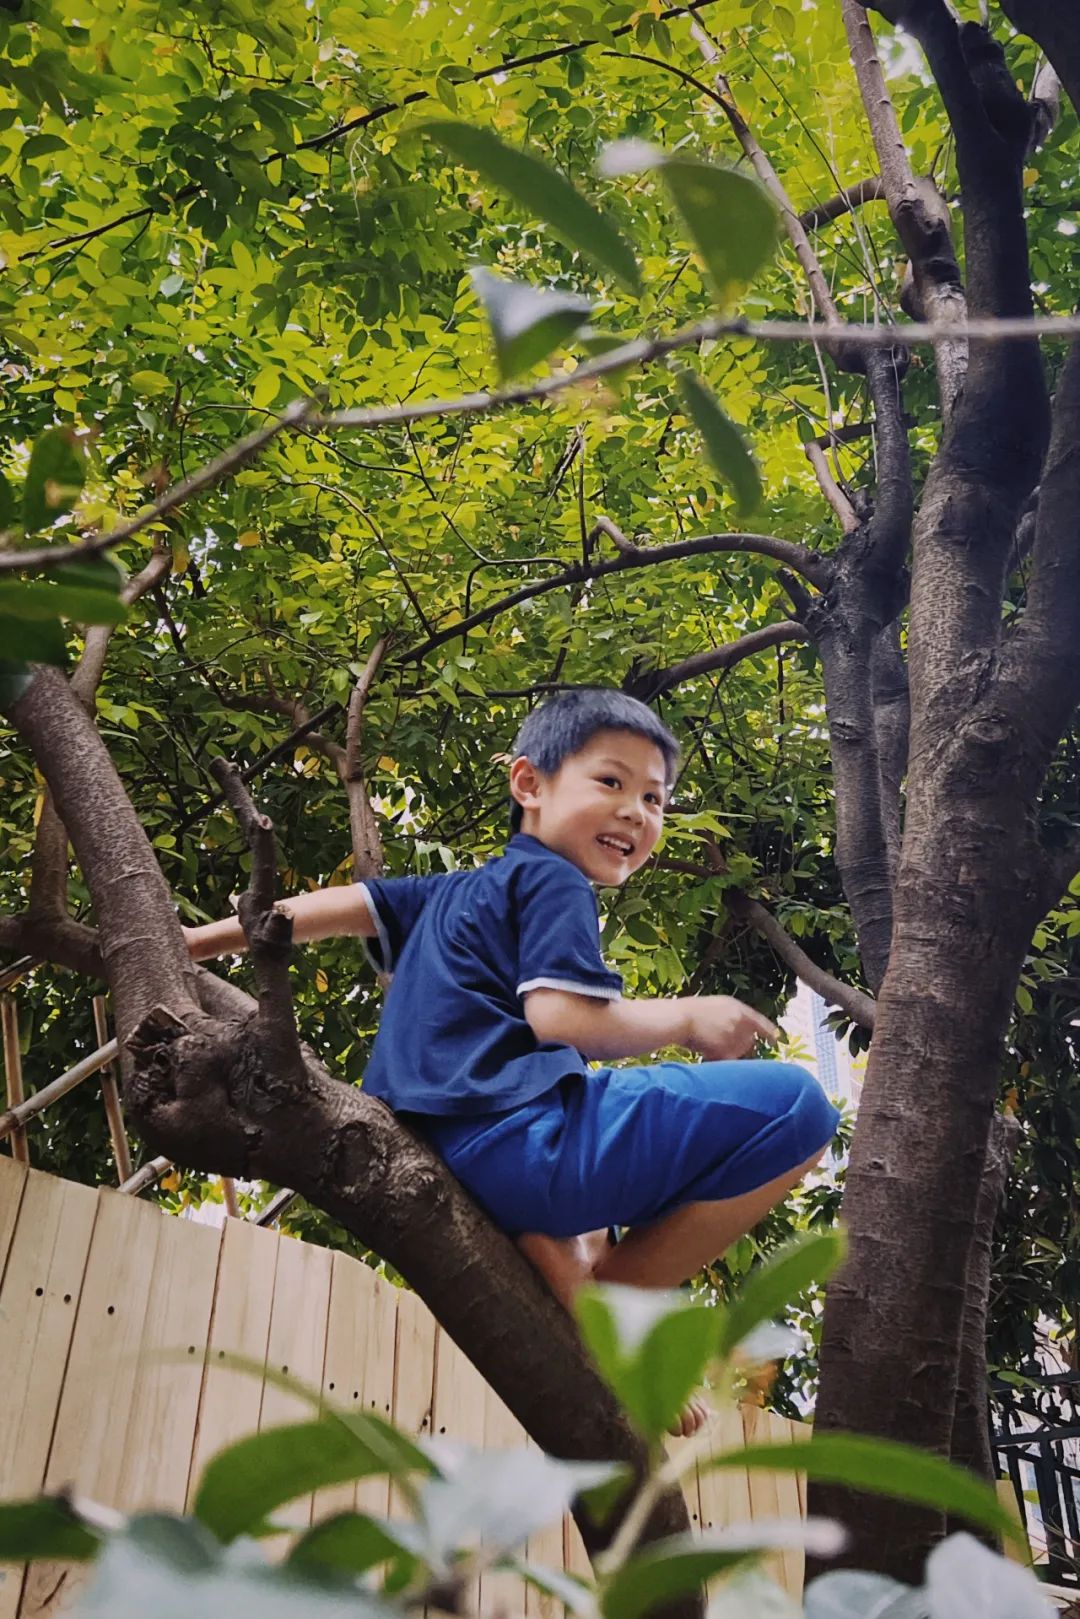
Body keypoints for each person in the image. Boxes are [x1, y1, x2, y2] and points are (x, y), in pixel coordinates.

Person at [184, 689, 840, 1433]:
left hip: (458, 1142)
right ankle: (611, 1309)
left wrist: (193, 943)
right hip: (522, 1145)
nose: (636, 812)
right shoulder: (554, 880)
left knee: (588, 1088)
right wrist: (688, 1016)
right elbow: (561, 1016)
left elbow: (317, 910)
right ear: (529, 783)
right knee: (799, 1109)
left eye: (655, 798)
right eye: (612, 781)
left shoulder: (454, 892)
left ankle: (565, 1254)